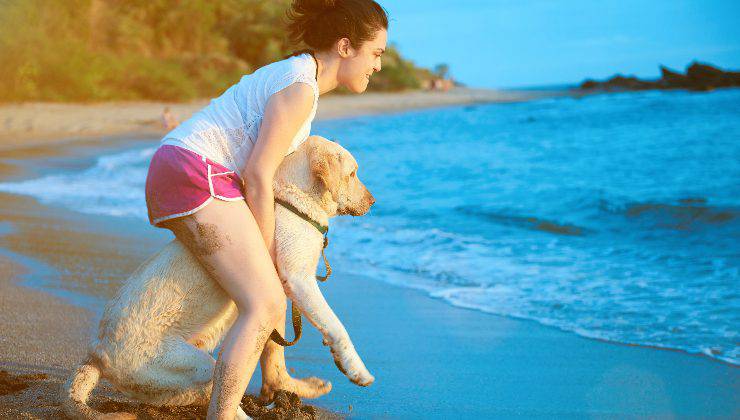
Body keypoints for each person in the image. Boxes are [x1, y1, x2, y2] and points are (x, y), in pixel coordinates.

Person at [143, 0, 388, 418]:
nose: (378, 66)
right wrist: (271, 251)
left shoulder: (300, 75)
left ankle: (274, 376)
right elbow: (258, 175)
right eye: (376, 54)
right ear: (346, 47)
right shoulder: (300, 88)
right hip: (194, 172)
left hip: (183, 167)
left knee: (266, 282)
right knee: (266, 301)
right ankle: (222, 414)